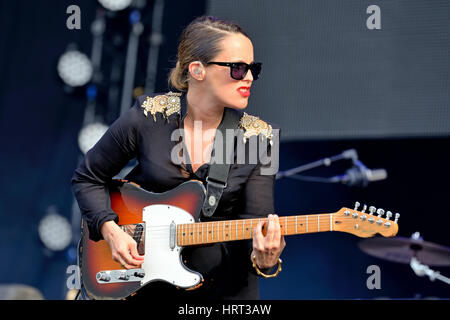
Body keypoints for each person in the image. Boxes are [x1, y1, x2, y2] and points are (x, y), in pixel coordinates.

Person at [71, 15, 285, 300]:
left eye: (252, 69)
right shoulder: (150, 115)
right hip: (144, 282)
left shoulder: (260, 138)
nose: (248, 77)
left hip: (222, 292)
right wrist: (111, 231)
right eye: (237, 68)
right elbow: (87, 177)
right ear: (197, 70)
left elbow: (254, 230)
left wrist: (266, 260)